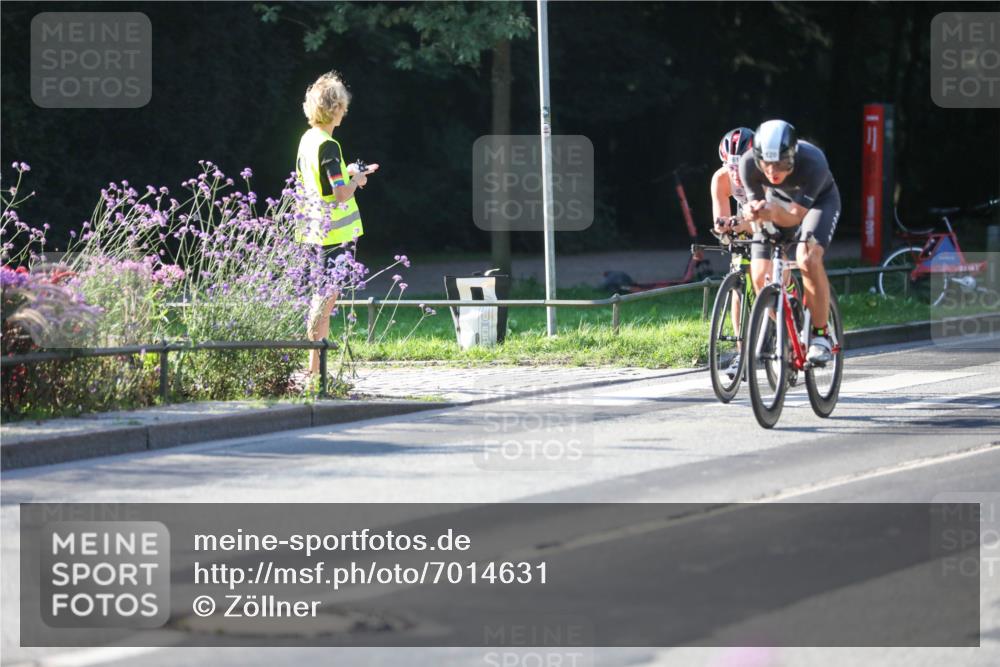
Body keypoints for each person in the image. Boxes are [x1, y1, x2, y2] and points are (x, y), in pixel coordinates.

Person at [296, 71, 378, 375]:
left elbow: (319, 181)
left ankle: (315, 371)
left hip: (310, 231)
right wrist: (357, 178)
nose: (345, 111)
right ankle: (315, 373)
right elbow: (340, 193)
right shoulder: (330, 145)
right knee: (324, 304)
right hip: (332, 236)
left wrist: (350, 172)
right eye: (343, 105)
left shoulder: (308, 140)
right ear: (335, 108)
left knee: (320, 301)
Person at [739, 119, 840, 364]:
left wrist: (770, 212)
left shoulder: (814, 162)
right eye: (766, 164)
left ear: (793, 156)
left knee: (807, 258)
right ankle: (789, 322)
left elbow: (794, 217)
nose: (773, 171)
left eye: (781, 164)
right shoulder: (748, 162)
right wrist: (752, 211)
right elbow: (754, 204)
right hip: (777, 203)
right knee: (761, 275)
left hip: (817, 205)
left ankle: (820, 334)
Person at [710, 127, 755, 379]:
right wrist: (724, 228)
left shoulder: (767, 173)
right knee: (739, 276)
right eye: (731, 166)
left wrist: (743, 224)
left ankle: (785, 319)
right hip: (745, 221)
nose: (736, 174)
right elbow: (722, 220)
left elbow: (771, 217)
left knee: (773, 267)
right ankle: (743, 353)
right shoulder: (720, 179)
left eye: (742, 166)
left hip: (772, 215)